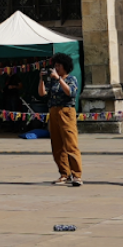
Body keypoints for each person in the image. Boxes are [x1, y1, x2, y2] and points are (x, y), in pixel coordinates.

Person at [42, 54, 81, 187]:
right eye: (55, 66)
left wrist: (59, 79)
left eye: (59, 65)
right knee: (57, 145)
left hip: (66, 111)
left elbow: (70, 92)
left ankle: (77, 175)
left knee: (70, 144)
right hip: (53, 111)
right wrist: (41, 80)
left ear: (65, 66)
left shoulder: (71, 79)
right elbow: (42, 93)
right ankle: (64, 173)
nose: (56, 68)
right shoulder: (51, 81)